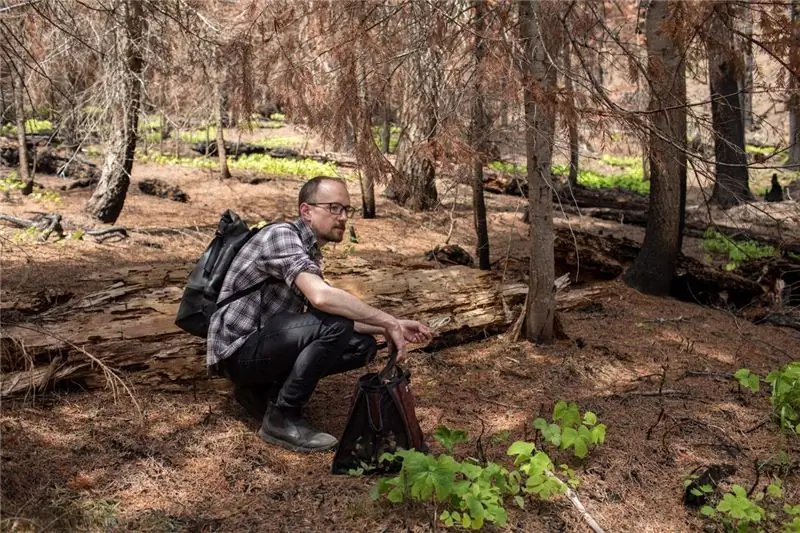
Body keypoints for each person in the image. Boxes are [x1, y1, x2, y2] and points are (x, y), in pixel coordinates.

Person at [207, 176, 435, 453]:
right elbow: (322, 298)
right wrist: (386, 320)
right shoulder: (281, 235)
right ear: (306, 211)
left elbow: (324, 310)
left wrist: (392, 325)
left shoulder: (307, 250)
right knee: (337, 326)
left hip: (261, 347)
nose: (343, 217)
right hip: (237, 352)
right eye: (334, 208)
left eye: (347, 209)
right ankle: (282, 417)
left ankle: (259, 392)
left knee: (361, 345)